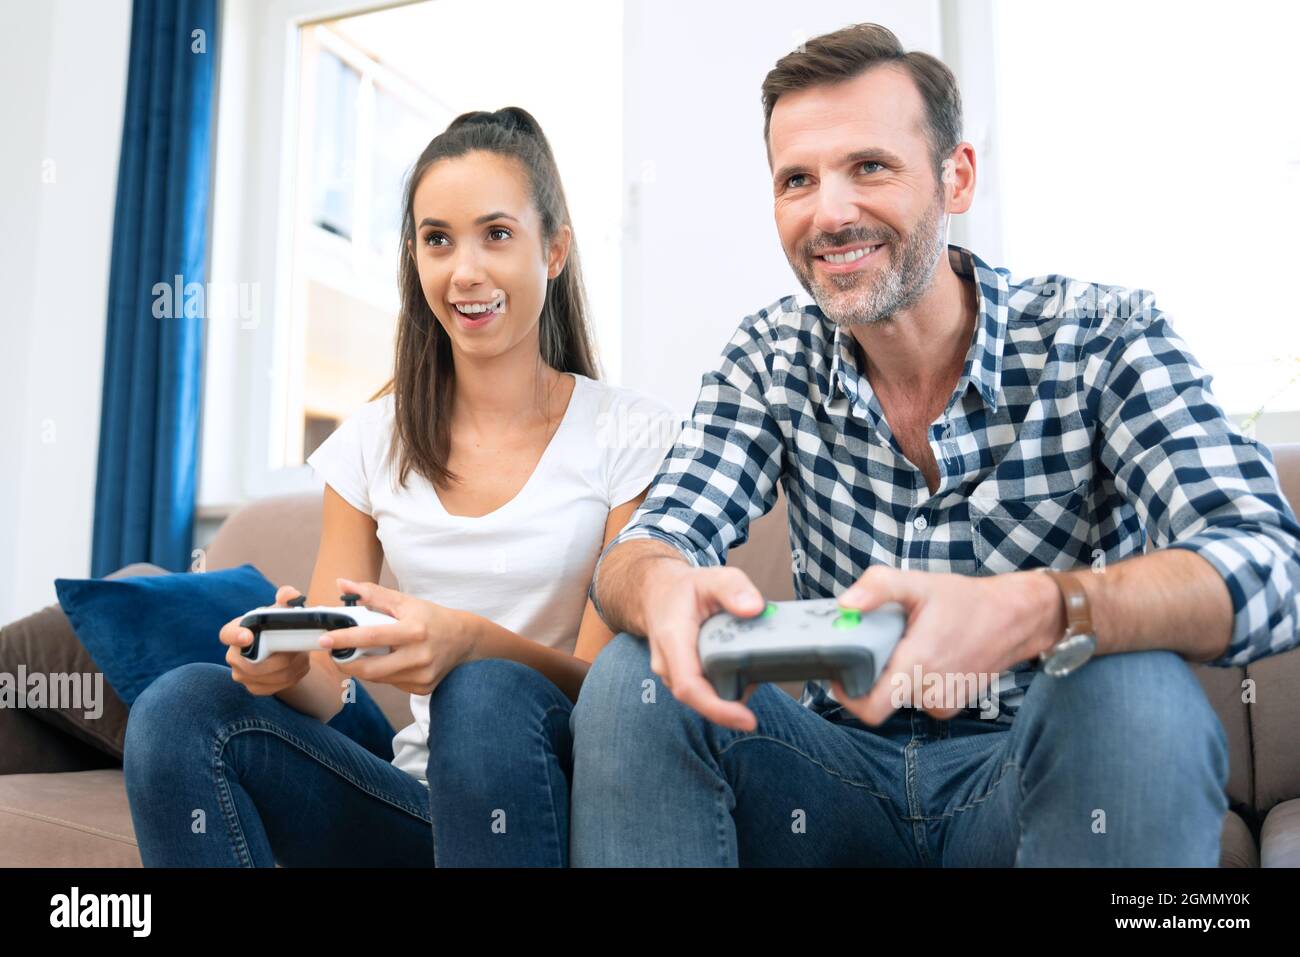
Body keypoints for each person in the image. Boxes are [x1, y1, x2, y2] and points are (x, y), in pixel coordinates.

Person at [568, 23, 1300, 866]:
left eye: (869, 167)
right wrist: (660, 586)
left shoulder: (1103, 333)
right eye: (797, 179)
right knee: (634, 671)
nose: (830, 212)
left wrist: (1036, 608)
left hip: (1029, 772)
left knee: (1133, 685)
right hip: (832, 778)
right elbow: (645, 544)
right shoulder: (770, 353)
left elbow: (1268, 560)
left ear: (956, 177)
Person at [123, 107, 677, 867]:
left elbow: (607, 695)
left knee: (481, 694)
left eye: (497, 234)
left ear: (554, 250)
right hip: (418, 801)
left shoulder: (632, 434)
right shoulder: (369, 443)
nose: (465, 271)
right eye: (437, 239)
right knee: (178, 707)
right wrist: (288, 670)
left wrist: (468, 647)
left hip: (560, 796)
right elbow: (331, 680)